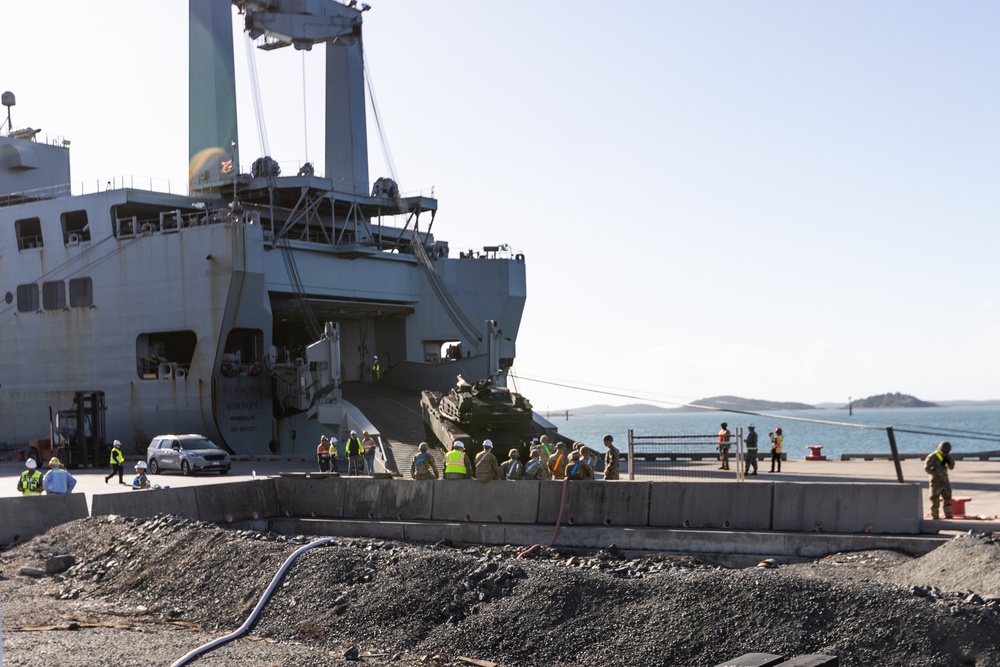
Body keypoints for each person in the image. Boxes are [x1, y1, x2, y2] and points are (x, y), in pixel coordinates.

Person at [924, 440, 955, 520]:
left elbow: (951, 467)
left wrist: (948, 459)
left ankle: (948, 515)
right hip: (935, 482)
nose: (945, 453)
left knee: (948, 499)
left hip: (945, 481)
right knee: (935, 501)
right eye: (944, 452)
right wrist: (936, 473)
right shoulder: (933, 456)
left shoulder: (947, 456)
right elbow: (927, 468)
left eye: (946, 452)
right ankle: (935, 516)